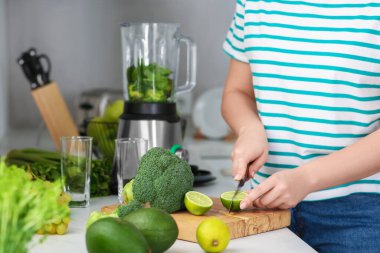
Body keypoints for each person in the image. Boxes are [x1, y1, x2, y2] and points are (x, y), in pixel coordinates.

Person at [221, 0, 380, 252]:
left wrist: (305, 178)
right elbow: (236, 91)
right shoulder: (253, 4)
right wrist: (248, 128)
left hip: (358, 213)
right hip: (262, 207)